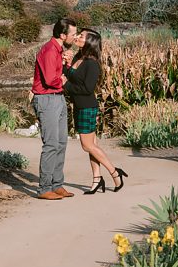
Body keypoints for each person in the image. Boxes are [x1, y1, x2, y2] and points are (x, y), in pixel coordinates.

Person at [64, 28, 127, 193]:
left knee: (87, 146)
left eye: (81, 36)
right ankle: (97, 179)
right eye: (78, 34)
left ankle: (115, 172)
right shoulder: (79, 57)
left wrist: (65, 85)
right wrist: (66, 65)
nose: (77, 37)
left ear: (90, 42)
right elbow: (71, 76)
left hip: (87, 106)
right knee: (92, 145)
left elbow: (87, 88)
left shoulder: (92, 63)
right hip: (79, 105)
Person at [31, 18, 78, 200]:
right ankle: (44, 189)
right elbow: (51, 80)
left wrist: (66, 64)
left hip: (57, 98)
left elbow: (58, 75)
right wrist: (63, 80)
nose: (75, 37)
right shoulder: (50, 50)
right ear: (62, 35)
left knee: (61, 143)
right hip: (47, 99)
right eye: (73, 34)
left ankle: (57, 184)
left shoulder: (59, 50)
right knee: (51, 144)